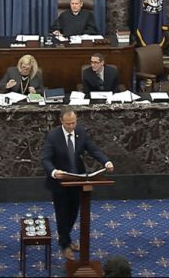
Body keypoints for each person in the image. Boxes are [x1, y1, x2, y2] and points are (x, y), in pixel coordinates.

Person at [41, 108, 114, 261]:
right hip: (60, 182)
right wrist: (53, 172)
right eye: (68, 123)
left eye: (73, 123)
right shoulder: (53, 136)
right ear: (61, 121)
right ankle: (65, 244)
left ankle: (66, 238)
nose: (71, 126)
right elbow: (45, 159)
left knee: (73, 212)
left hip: (78, 180)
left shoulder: (80, 132)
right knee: (62, 214)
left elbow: (93, 149)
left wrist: (106, 161)